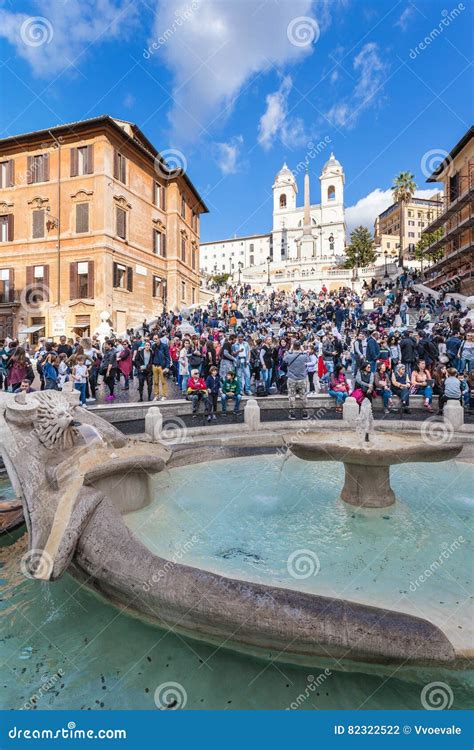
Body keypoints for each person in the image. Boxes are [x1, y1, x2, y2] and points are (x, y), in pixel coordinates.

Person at [283, 340, 309, 420]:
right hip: (302, 378)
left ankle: (292, 413)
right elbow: (308, 360)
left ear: (292, 346)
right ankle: (305, 413)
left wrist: (290, 350)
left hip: (291, 378)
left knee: (291, 396)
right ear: (300, 346)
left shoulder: (288, 355)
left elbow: (284, 360)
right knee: (303, 396)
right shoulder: (304, 356)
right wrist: (302, 350)